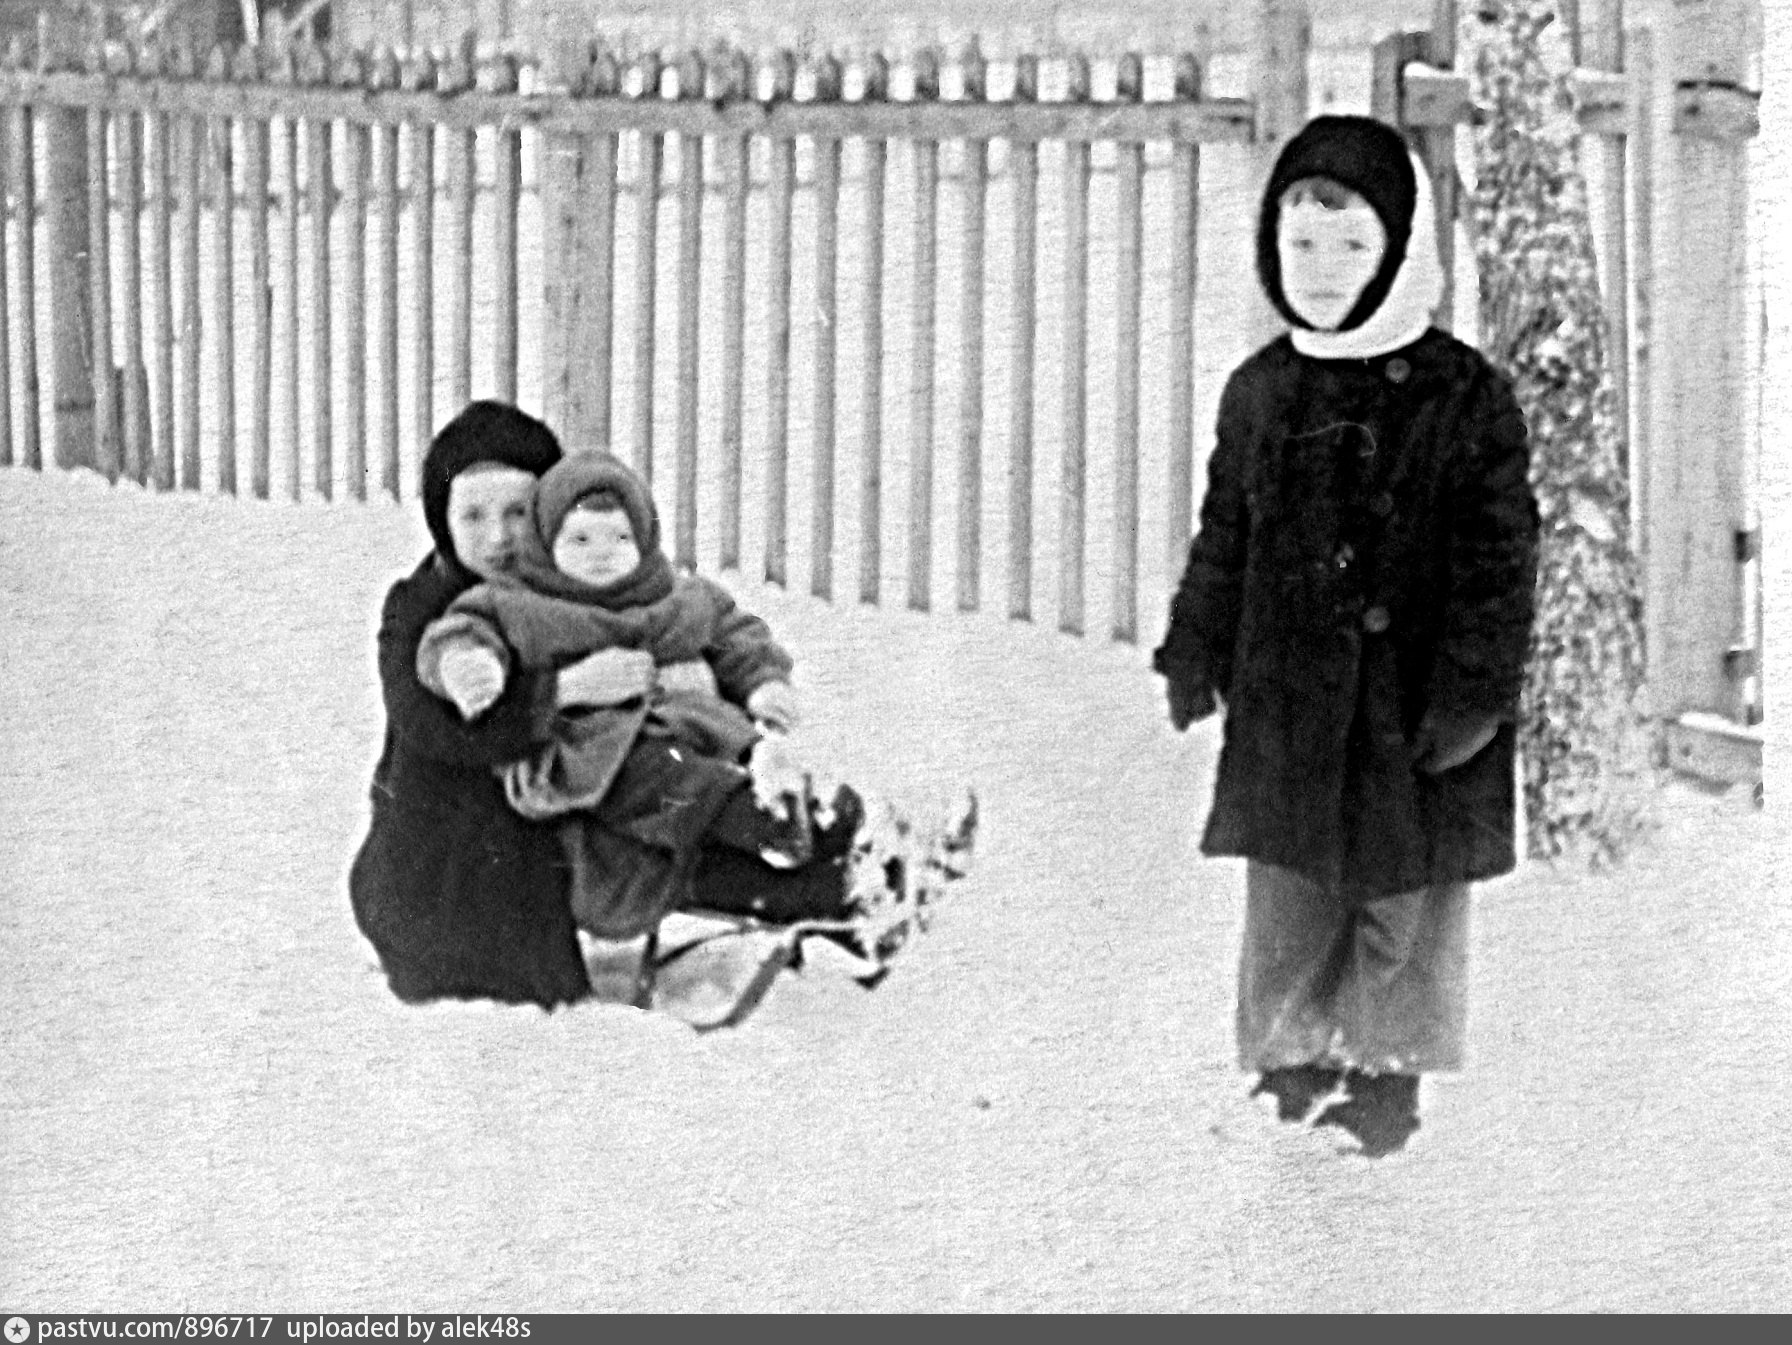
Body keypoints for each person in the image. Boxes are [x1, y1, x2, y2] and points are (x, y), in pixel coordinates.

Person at [1153, 116, 1540, 1156]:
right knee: (1290, 892)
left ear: (1401, 251)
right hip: (1290, 700)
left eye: (1352, 246)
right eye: (1301, 246)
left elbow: (1500, 567)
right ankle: (1289, 1068)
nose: (1321, 271)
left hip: (1416, 707)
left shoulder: (1466, 396)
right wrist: (1195, 645)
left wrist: (1473, 695)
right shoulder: (1262, 390)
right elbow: (1226, 534)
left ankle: (1384, 1075)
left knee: (1404, 903)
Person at [413, 447, 953, 957]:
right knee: (675, 780)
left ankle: (865, 852)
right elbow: (462, 632)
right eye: (580, 540)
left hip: (702, 743)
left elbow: (734, 633)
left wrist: (763, 683)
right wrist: (470, 667)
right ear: (546, 543)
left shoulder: (674, 597)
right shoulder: (519, 604)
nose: (601, 554)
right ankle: (784, 821)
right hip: (592, 760)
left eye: (619, 537)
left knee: (744, 775)